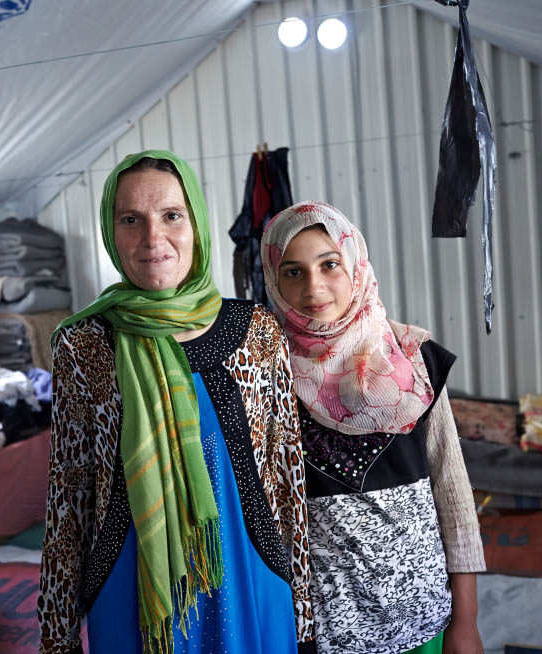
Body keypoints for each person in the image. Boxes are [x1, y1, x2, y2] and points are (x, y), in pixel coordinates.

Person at [38, 150, 316, 654]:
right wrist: (57, 635)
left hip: (249, 577)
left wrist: (304, 614)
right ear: (110, 229)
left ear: (197, 224)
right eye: (131, 219)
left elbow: (286, 479)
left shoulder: (257, 332)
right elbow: (68, 496)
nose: (152, 238)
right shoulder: (83, 344)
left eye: (171, 215)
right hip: (131, 589)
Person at [260, 201, 486, 654]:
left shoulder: (413, 357)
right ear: (273, 280)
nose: (314, 287)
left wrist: (466, 621)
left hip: (425, 621)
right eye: (293, 272)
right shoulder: (265, 371)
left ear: (356, 265)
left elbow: (453, 492)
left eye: (329, 264)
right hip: (324, 635)